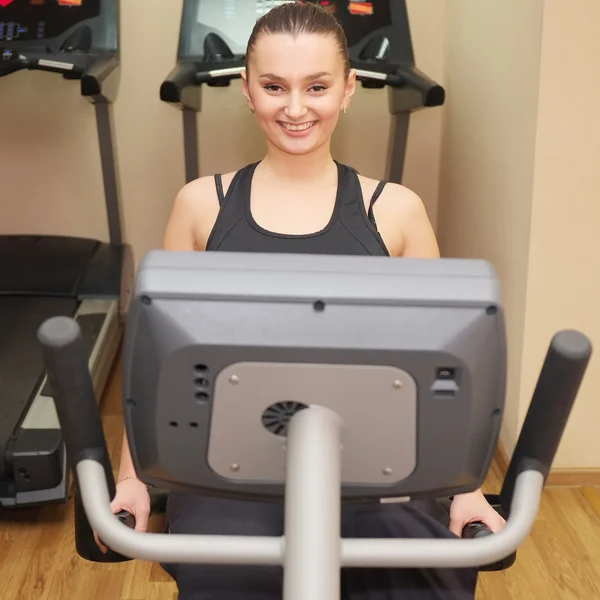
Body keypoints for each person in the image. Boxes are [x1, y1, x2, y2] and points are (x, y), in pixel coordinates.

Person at [101, 3, 506, 598]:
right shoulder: (200, 206)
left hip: (376, 468)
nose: (294, 108)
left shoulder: (395, 211)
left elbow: (446, 370)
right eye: (273, 87)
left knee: (414, 565)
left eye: (316, 86)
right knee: (224, 568)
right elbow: (154, 364)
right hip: (228, 467)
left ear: (349, 90)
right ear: (247, 91)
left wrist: (465, 489)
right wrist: (131, 479)